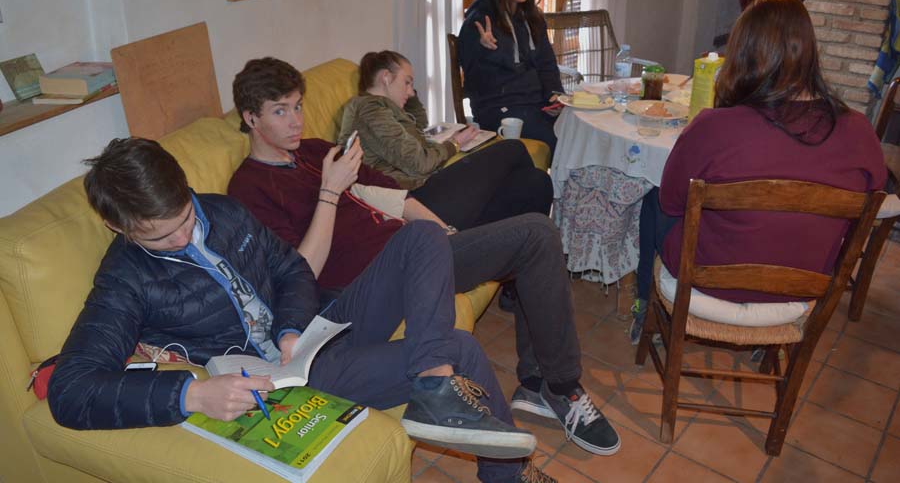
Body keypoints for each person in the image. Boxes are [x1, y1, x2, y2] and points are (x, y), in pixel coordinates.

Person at [47, 138, 546, 483]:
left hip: (310, 335)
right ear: (119, 228)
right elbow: (71, 391)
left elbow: (290, 268)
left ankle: (434, 387)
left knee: (423, 235)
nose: (182, 236)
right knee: (460, 347)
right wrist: (191, 395)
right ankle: (507, 476)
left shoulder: (221, 210)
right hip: (282, 383)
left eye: (183, 217)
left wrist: (289, 328)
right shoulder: (124, 280)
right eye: (160, 236)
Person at [228, 57, 621, 461]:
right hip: (368, 288)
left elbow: (389, 188)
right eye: (280, 111)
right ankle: (557, 387)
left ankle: (548, 385)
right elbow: (300, 273)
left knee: (536, 229)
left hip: (416, 253)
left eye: (297, 106)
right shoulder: (248, 189)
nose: (296, 121)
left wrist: (440, 230)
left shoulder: (313, 150)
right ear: (251, 118)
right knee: (529, 231)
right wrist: (330, 192)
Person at [629, 0, 887, 343]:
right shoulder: (859, 130)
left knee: (654, 198)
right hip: (801, 286)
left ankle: (644, 309)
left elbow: (672, 203)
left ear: (742, 56)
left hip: (708, 278)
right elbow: (872, 199)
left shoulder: (713, 127)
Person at [336, 49, 552, 230]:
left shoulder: (384, 109)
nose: (410, 92)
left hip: (427, 190)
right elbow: (419, 163)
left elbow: (419, 125)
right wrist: (454, 144)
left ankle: (521, 255)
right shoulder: (368, 109)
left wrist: (408, 95)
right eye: (407, 82)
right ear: (385, 77)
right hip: (413, 201)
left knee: (536, 182)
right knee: (512, 148)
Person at [458, 0, 563, 154]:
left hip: (536, 104)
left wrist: (554, 95)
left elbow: (547, 63)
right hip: (497, 108)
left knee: (578, 130)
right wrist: (482, 48)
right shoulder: (480, 18)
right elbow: (474, 76)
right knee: (561, 142)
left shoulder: (532, 17)